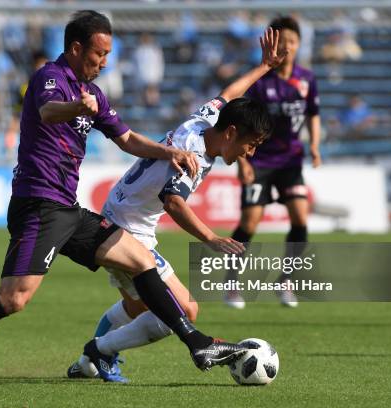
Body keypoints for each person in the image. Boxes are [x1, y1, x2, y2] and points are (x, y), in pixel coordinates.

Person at [0, 10, 250, 386]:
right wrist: (77, 108)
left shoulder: (94, 94)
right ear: (77, 48)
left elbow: (127, 139)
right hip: (38, 206)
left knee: (141, 260)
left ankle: (198, 343)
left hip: (68, 209)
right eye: (100, 53)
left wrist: (169, 153)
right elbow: (48, 112)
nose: (105, 61)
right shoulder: (50, 78)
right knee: (13, 300)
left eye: (109, 54)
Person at [66, 27, 285, 383]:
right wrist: (212, 239)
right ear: (232, 133)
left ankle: (92, 359)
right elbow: (173, 202)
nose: (252, 153)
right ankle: (100, 352)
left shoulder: (207, 121)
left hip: (125, 213)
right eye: (252, 144)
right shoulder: (194, 154)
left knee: (138, 307)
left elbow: (228, 94)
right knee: (184, 309)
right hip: (126, 227)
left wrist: (264, 67)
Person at [226, 16, 322, 309]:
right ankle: (231, 283)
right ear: (274, 46)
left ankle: (286, 280)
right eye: (282, 42)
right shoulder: (260, 83)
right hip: (260, 160)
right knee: (250, 222)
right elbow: (242, 121)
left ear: (299, 45)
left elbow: (312, 114)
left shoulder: (307, 79)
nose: (287, 47)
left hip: (291, 160)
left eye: (292, 42)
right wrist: (243, 162)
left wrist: (315, 145)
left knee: (300, 219)